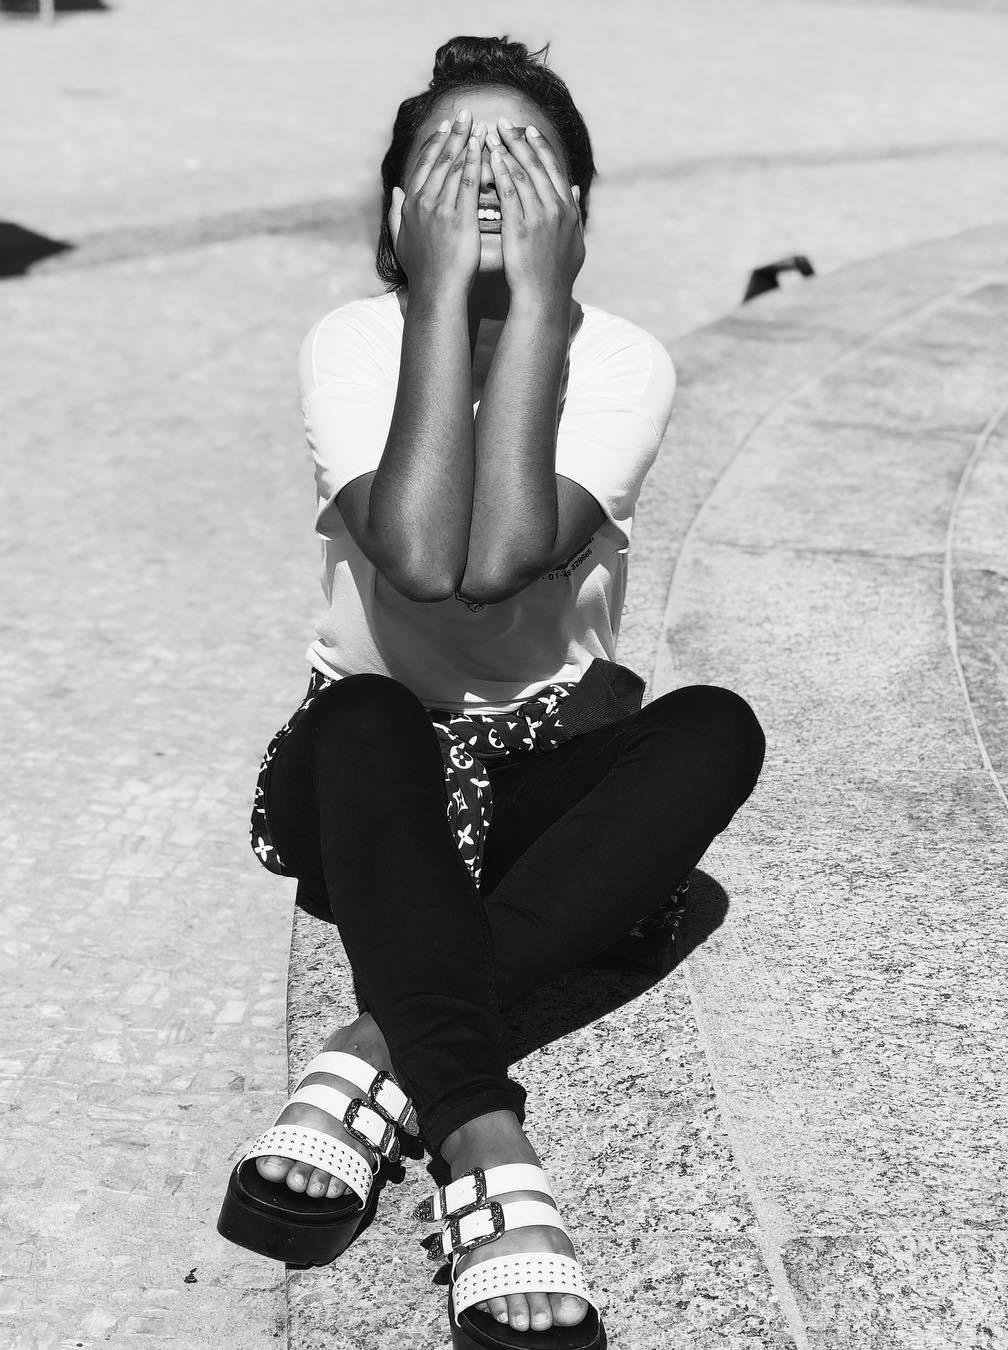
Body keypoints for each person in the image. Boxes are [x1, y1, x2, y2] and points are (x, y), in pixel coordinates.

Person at [218, 34, 765, 1350]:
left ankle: (375, 1049)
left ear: (573, 200)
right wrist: (438, 306)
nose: (480, 180)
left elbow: (506, 554)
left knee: (715, 730)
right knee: (368, 713)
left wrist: (538, 310)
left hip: (536, 772)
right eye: (448, 155)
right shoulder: (356, 340)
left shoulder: (624, 361)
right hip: (364, 785)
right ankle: (481, 1137)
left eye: (515, 156)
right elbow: (423, 562)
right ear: (395, 198)